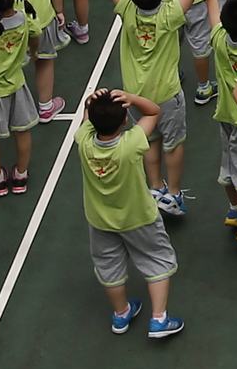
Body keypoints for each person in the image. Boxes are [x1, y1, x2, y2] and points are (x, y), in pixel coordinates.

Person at [75, 87, 182, 339]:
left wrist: (91, 102)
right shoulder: (132, 142)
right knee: (157, 259)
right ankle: (159, 319)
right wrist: (132, 98)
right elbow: (153, 111)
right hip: (139, 217)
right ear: (125, 119)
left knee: (108, 264)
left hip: (100, 220)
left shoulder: (83, 142)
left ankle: (121, 313)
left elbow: (85, 119)